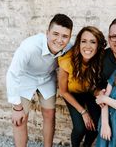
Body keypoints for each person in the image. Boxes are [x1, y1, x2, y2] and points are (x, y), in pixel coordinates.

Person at [6, 14, 73, 147]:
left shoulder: (69, 47)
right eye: (55, 34)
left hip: (47, 78)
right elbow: (12, 74)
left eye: (65, 36)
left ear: (69, 37)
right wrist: (16, 107)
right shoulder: (29, 47)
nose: (60, 40)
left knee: (49, 113)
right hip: (25, 78)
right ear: (47, 33)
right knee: (20, 118)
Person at [58, 26, 107, 147]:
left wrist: (99, 93)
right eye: (83, 41)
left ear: (98, 45)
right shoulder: (67, 60)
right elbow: (63, 91)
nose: (87, 46)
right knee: (80, 128)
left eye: (93, 42)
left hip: (89, 93)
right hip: (71, 94)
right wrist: (84, 112)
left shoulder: (100, 59)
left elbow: (92, 87)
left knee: (96, 126)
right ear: (78, 43)